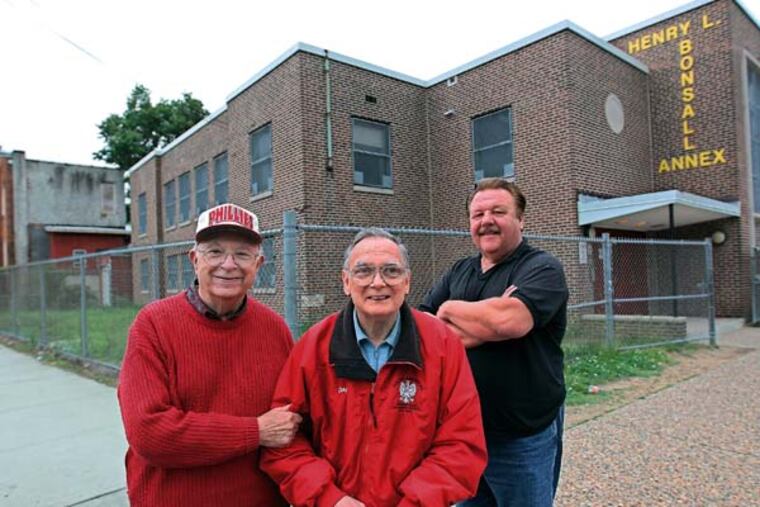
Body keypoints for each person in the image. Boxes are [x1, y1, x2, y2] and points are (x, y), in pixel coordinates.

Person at [261, 228, 486, 507]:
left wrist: (416, 502)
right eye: (363, 271)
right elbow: (284, 442)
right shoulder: (313, 347)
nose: (377, 283)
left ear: (407, 282)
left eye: (391, 271)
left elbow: (462, 443)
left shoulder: (442, 345)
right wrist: (331, 500)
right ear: (346, 281)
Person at [117, 203, 302, 507]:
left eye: (242, 254)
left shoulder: (275, 329)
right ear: (194, 259)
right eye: (214, 251)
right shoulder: (153, 325)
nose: (228, 264)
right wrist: (254, 431)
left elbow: (289, 424)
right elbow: (149, 433)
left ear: (258, 264)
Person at [420, 178, 569, 507]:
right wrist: (485, 319)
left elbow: (510, 321)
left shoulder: (542, 268)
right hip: (464, 434)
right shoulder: (461, 270)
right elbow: (421, 330)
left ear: (520, 220)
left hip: (522, 434)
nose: (486, 220)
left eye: (498, 211)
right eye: (478, 214)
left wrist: (448, 309)